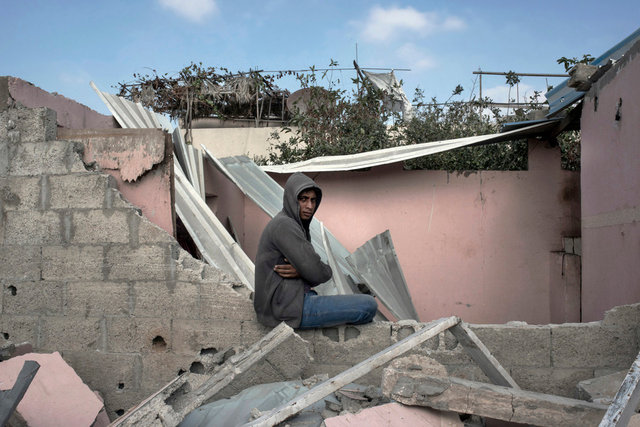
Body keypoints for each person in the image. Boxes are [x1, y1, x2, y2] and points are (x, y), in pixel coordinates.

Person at [253, 172, 378, 329]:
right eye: (303, 199)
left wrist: (302, 272)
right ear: (292, 199)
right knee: (368, 304)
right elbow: (319, 272)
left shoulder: (297, 226)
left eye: (313, 200)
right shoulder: (285, 225)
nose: (309, 206)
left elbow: (314, 270)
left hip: (293, 302)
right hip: (288, 308)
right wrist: (306, 271)